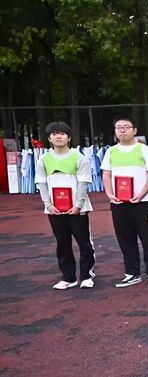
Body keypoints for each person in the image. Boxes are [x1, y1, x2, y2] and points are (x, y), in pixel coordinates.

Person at [101, 116, 148, 288]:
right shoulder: (111, 151)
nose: (122, 130)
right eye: (119, 127)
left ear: (134, 131)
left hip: (143, 203)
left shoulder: (144, 150)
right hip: (119, 204)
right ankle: (132, 273)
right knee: (125, 239)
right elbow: (106, 174)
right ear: (115, 131)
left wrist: (142, 194)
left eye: (126, 127)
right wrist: (109, 194)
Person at [35, 121, 96, 290]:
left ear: (68, 137)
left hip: (78, 209)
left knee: (84, 243)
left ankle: (86, 276)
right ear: (49, 138)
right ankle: (68, 277)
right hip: (55, 210)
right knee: (62, 243)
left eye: (62, 133)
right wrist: (48, 205)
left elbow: (83, 182)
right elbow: (41, 183)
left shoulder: (79, 157)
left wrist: (78, 205)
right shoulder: (44, 159)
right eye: (54, 134)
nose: (58, 136)